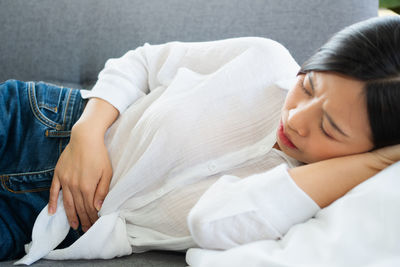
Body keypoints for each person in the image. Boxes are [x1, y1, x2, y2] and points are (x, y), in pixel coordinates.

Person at [1, 16, 400, 262]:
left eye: (330, 128)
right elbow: (142, 62)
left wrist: (374, 164)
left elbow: (209, 225)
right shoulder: (264, 60)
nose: (295, 120)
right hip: (40, 122)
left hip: (39, 222)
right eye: (309, 86)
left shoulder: (304, 203)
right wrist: (86, 134)